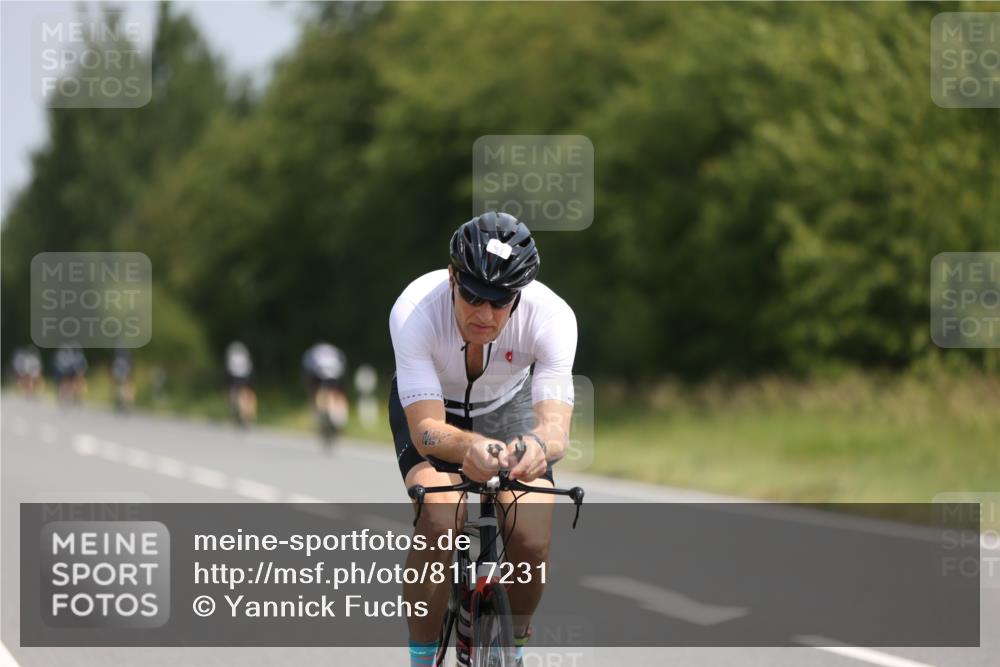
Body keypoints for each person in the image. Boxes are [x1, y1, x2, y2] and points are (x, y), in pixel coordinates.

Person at [388, 211, 577, 667]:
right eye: (473, 295)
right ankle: (421, 659)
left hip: (506, 410)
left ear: (520, 295)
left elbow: (555, 429)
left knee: (531, 536)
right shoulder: (415, 309)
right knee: (439, 512)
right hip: (434, 408)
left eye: (500, 301)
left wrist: (536, 449)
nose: (484, 313)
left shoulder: (552, 317)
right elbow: (427, 430)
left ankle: (511, 650)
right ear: (453, 277)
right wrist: (468, 448)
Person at [302, 341, 348, 444]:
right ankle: (340, 418)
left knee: (316, 392)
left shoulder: (312, 354)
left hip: (318, 372)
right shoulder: (335, 353)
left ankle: (322, 415)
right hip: (336, 371)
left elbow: (309, 379)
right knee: (338, 393)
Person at [224, 341, 257, 425]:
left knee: (235, 394)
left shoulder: (233, 356)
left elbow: (229, 370)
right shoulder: (243, 355)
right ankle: (245, 414)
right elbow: (250, 368)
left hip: (236, 377)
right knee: (244, 394)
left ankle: (241, 414)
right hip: (245, 377)